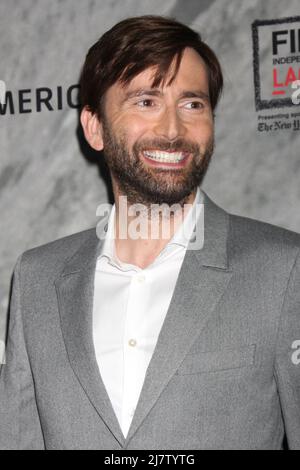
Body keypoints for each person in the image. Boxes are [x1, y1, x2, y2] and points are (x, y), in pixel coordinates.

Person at [0, 15, 300, 450]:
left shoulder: (284, 269)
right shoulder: (37, 280)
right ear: (95, 127)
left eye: (192, 104)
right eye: (146, 101)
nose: (173, 129)